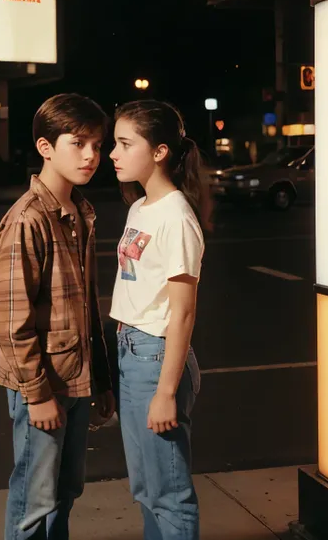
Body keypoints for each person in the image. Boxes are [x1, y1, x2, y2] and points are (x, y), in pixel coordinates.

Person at [0, 93, 115, 540]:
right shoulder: (28, 219)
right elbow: (12, 322)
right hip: (43, 384)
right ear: (46, 147)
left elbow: (86, 308)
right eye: (78, 143)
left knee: (66, 491)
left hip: (76, 379)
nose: (91, 155)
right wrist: (38, 394)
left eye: (98, 145)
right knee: (34, 500)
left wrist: (100, 379)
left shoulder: (79, 213)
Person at [109, 100, 212, 540]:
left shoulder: (176, 216)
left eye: (124, 143)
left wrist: (167, 391)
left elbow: (183, 311)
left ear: (159, 152)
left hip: (156, 360)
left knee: (169, 496)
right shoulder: (140, 207)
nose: (112, 153)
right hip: (131, 353)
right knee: (147, 489)